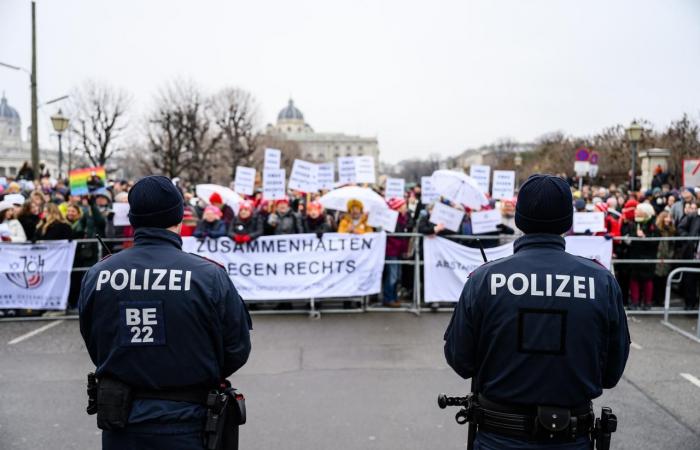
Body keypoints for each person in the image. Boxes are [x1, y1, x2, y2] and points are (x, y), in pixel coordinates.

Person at [444, 174, 629, 450]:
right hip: (570, 438)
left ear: (519, 219)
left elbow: (460, 360)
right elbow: (611, 373)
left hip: (499, 439)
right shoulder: (601, 281)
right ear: (568, 221)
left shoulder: (484, 279)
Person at [78, 175, 251, 449]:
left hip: (123, 425)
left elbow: (94, 341)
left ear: (133, 219)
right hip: (189, 424)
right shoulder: (208, 276)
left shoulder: (98, 275)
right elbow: (236, 349)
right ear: (179, 217)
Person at [625, 203, 659, 310]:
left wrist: (645, 237)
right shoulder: (633, 223)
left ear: (645, 212)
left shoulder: (652, 224)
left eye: (638, 210)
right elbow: (629, 236)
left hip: (648, 256)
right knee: (634, 279)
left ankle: (647, 302)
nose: (635, 211)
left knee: (647, 280)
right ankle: (635, 302)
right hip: (635, 255)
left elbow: (656, 240)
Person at [383, 198, 413, 307]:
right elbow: (399, 233)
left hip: (399, 251)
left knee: (397, 275)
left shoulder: (404, 218)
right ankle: (388, 298)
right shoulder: (393, 219)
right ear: (398, 207)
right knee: (392, 276)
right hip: (392, 250)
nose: (405, 207)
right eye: (403, 205)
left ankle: (394, 297)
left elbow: (409, 227)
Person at [677, 201, 700, 310]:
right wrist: (689, 239)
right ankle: (689, 304)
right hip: (692, 254)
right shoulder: (693, 216)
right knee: (689, 280)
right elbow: (681, 228)